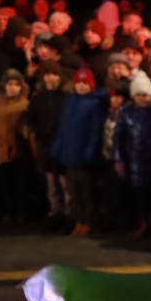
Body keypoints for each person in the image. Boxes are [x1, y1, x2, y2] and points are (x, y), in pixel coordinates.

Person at [49, 66, 108, 236]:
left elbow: (95, 132)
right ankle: (79, 220)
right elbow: (63, 128)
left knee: (87, 191)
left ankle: (90, 221)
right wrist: (57, 149)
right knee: (74, 191)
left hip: (84, 155)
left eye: (85, 83)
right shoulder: (69, 102)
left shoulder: (95, 103)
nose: (81, 87)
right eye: (79, 83)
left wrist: (90, 152)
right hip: (70, 153)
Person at [114, 71, 151, 237]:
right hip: (134, 160)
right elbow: (119, 137)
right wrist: (119, 159)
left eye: (145, 94)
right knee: (140, 197)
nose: (142, 98)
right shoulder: (126, 113)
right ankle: (144, 223)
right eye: (138, 95)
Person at [25, 59, 69, 232]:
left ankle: (69, 216)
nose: (51, 78)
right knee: (52, 186)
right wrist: (38, 131)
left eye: (54, 74)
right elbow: (30, 118)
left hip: (62, 145)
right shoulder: (37, 98)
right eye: (47, 74)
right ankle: (56, 214)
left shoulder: (65, 97)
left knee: (66, 185)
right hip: (45, 145)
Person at [0, 68, 32, 221]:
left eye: (16, 84)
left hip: (19, 151)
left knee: (21, 183)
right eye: (9, 84)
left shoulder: (25, 104)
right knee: (5, 184)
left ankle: (22, 211)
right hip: (2, 151)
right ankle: (9, 210)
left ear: (21, 87)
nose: (12, 87)